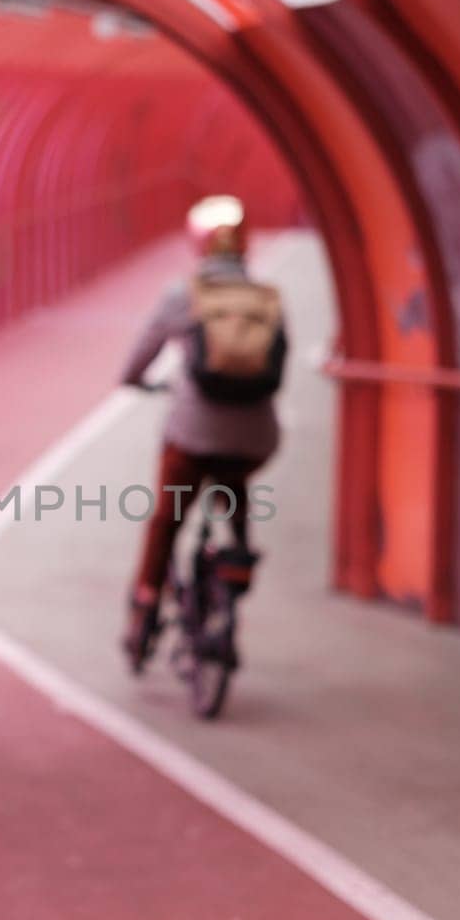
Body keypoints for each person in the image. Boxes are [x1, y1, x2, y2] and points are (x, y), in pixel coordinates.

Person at [119, 195, 284, 665]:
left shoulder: (183, 295)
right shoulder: (267, 298)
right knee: (233, 481)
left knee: (167, 519)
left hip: (194, 433)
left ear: (203, 252)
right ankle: (238, 558)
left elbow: (140, 355)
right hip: (257, 437)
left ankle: (146, 604)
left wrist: (136, 382)